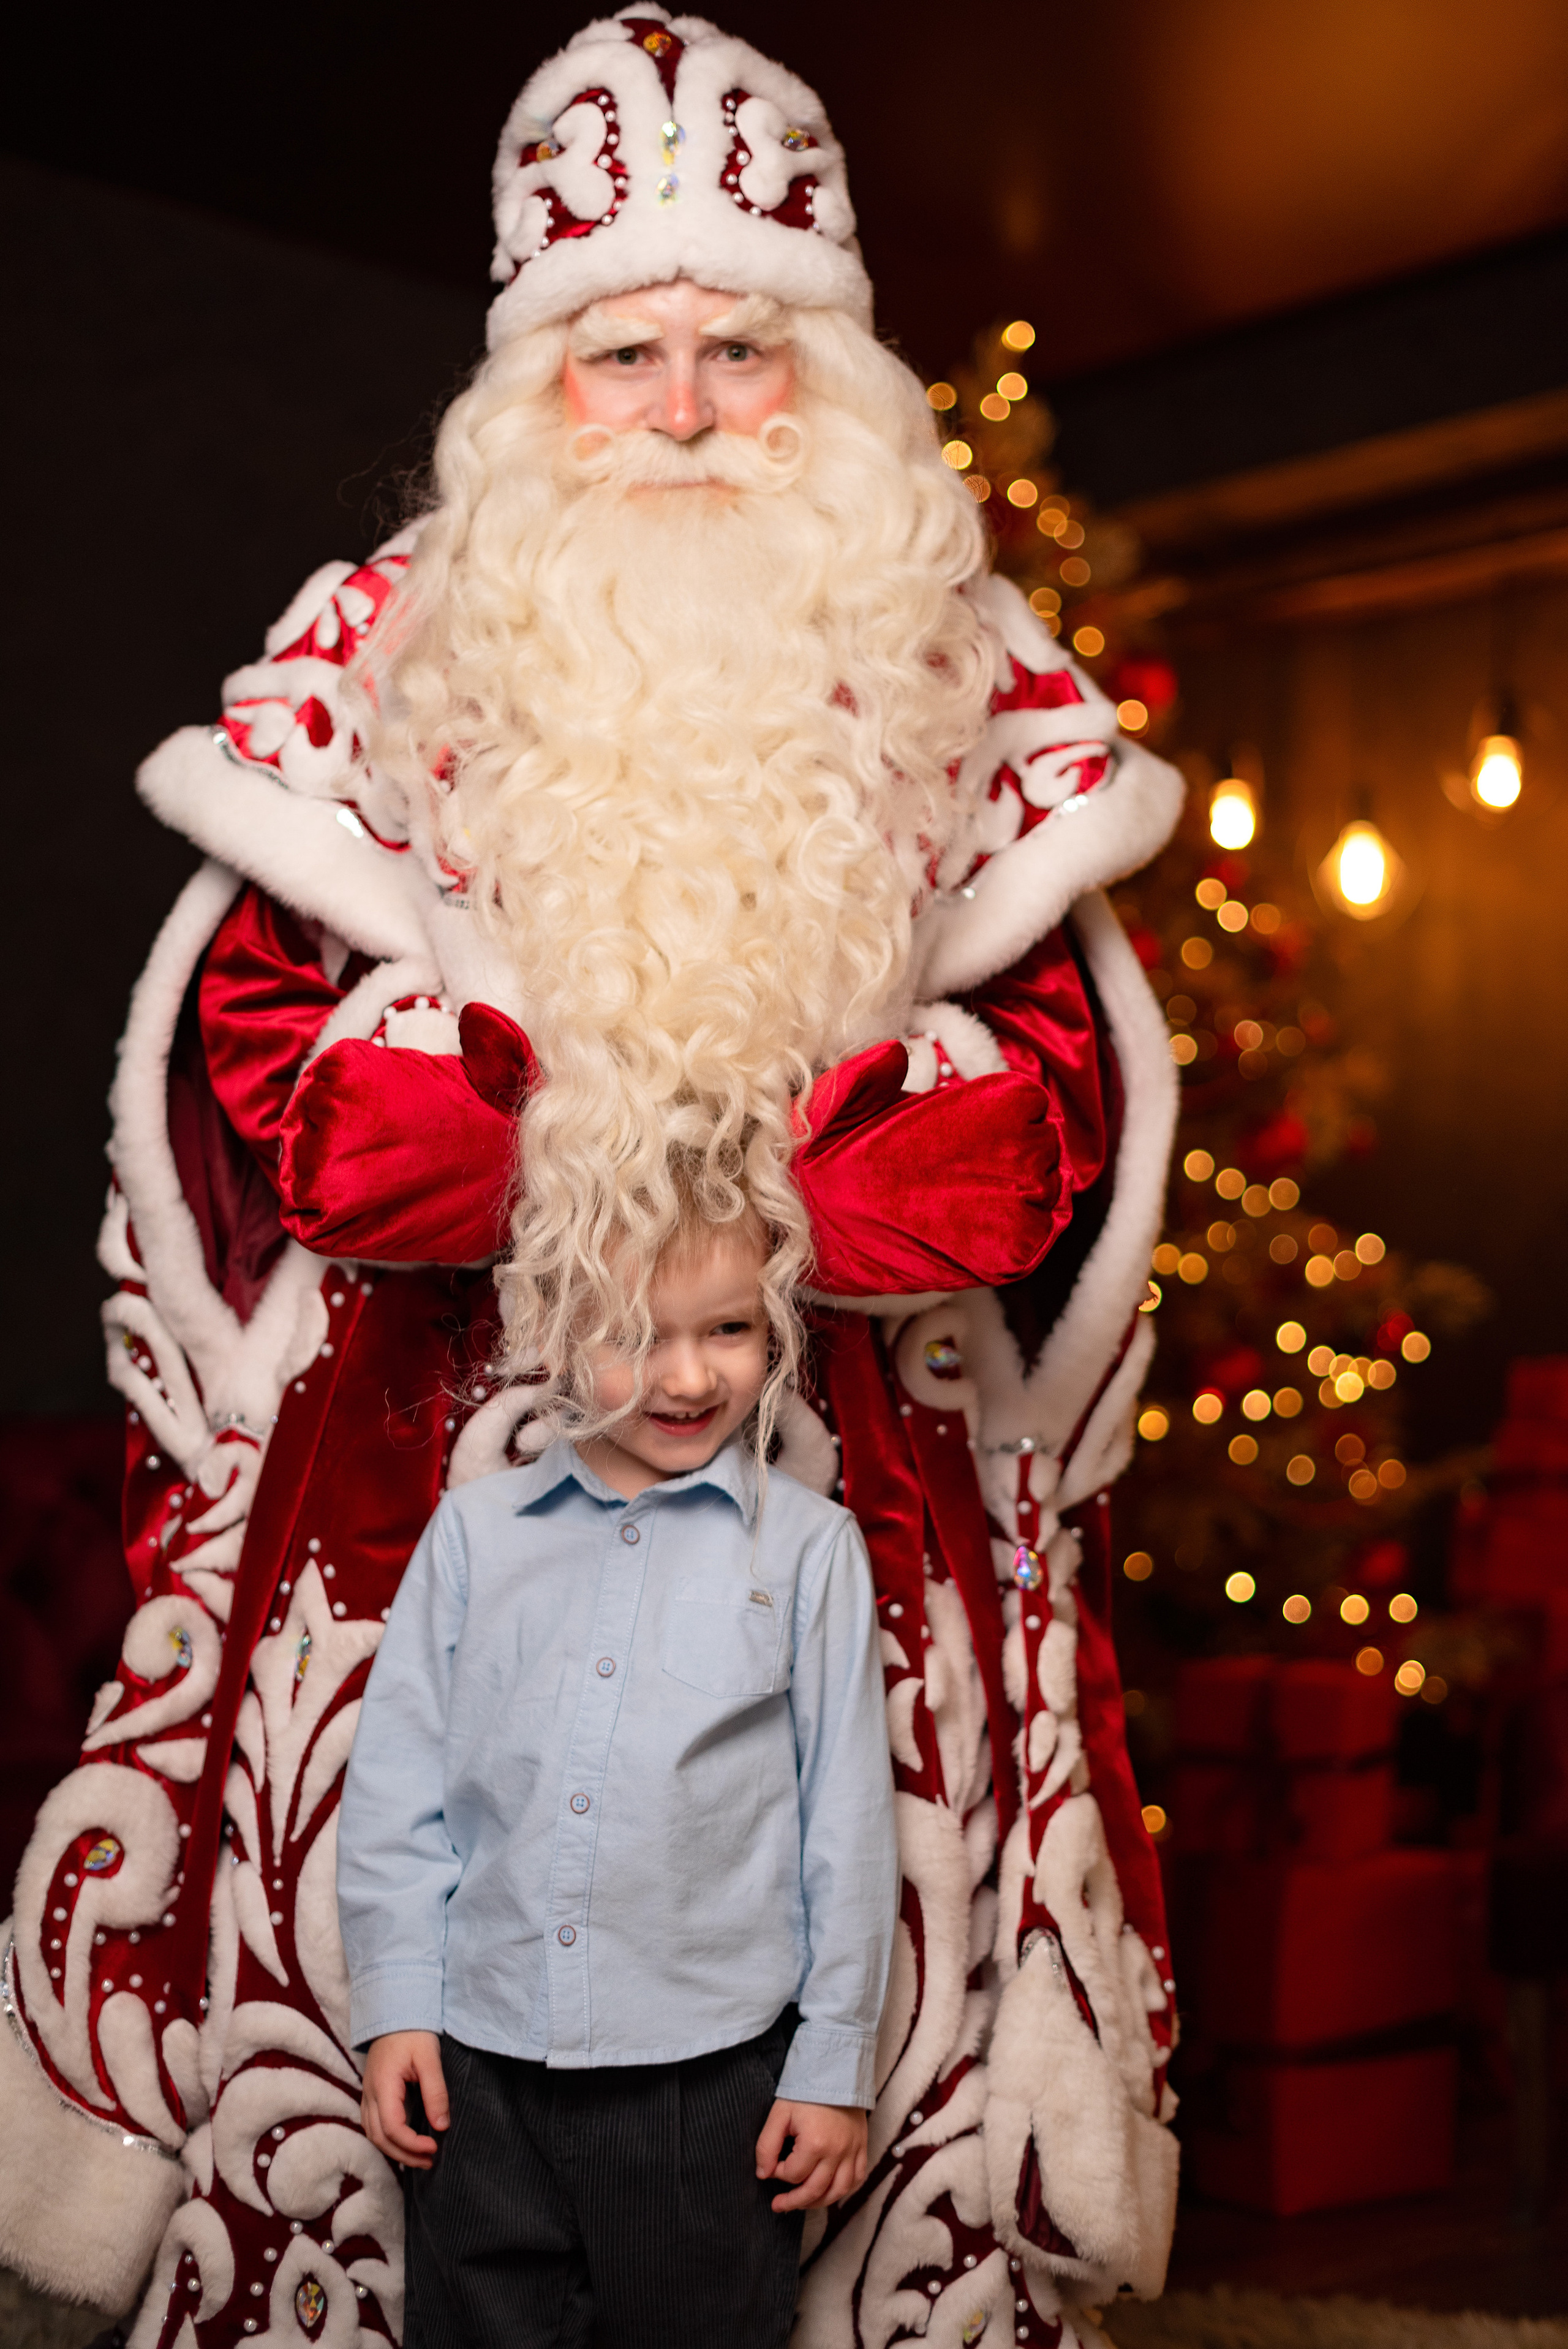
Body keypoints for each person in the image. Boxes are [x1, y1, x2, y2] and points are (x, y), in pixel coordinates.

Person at [0, 10, 1185, 2347]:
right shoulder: (390, 667)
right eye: (617, 346)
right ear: (528, 392)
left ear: (829, 386)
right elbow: (271, 1069)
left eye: (742, 347)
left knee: (839, 1984)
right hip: (436, 1491)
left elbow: (1052, 1107)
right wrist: (484, 1127)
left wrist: (869, 1158)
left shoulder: (966, 688)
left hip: (841, 1493)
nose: (678, 403)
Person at [341, 1189, 896, 2346]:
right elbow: (398, 1788)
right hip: (479, 2068)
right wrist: (397, 2005)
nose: (687, 1378)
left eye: (730, 1329)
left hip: (708, 2081)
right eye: (635, 1335)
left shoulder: (807, 1551)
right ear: (549, 1328)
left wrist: (833, 2063)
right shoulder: (476, 1535)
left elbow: (847, 1825)